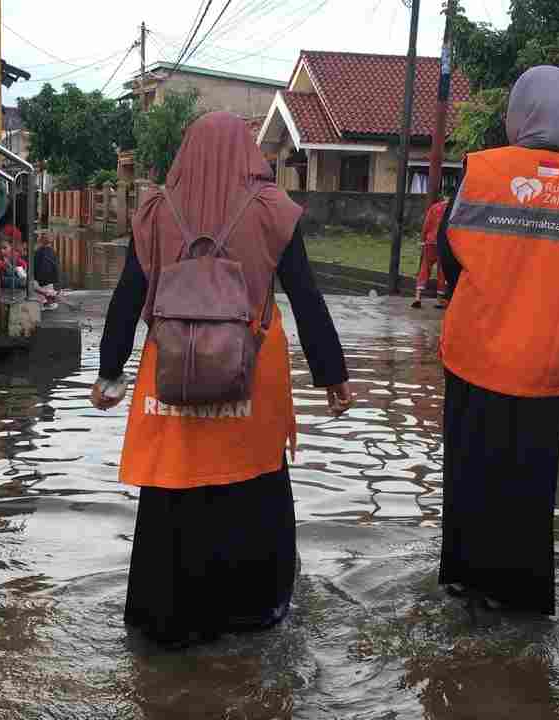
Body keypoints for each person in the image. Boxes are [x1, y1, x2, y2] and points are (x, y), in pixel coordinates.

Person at [90, 111, 353, 648]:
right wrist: (332, 374)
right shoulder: (274, 210)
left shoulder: (155, 211)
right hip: (252, 376)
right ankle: (254, 614)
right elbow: (305, 295)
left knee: (173, 485)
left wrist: (109, 371)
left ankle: (167, 620)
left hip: (172, 374)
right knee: (254, 485)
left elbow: (128, 295)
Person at [435, 66, 559, 615]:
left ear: (518, 112)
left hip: (477, 354)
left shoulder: (483, 172)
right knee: (531, 485)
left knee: (471, 477)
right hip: (548, 361)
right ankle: (525, 598)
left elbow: (450, 258)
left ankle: (466, 589)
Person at [412, 196, 451, 309]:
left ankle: (418, 297)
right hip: (443, 243)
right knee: (441, 271)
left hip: (430, 241)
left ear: (444, 196)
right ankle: (439, 300)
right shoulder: (452, 209)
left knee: (425, 268)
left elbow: (427, 223)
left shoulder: (434, 207)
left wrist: (423, 239)